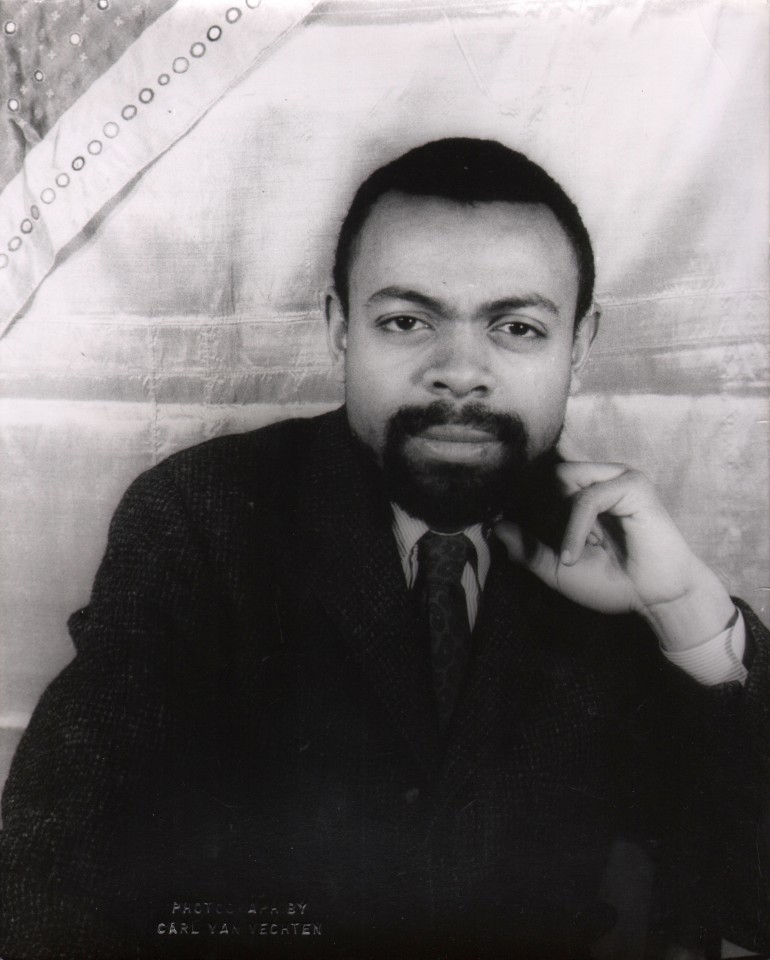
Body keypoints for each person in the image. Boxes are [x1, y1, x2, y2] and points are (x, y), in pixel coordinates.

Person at [0, 138, 767, 960]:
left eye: (517, 327)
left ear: (580, 344)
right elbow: (53, 876)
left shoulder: (613, 549)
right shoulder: (202, 515)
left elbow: (750, 902)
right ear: (339, 327)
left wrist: (688, 612)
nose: (460, 372)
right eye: (407, 321)